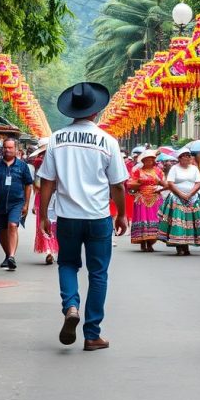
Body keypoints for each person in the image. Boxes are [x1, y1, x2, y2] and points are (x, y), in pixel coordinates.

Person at [38, 82, 128, 351]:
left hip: (67, 217)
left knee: (67, 264)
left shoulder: (56, 139)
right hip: (98, 217)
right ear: (96, 111)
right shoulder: (108, 142)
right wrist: (121, 214)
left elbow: (47, 182)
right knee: (98, 274)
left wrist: (43, 214)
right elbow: (119, 185)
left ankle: (71, 306)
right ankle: (92, 334)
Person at [0, 137, 34, 271]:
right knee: (2, 230)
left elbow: (28, 185)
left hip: (17, 202)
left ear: (16, 150)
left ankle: (12, 256)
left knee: (12, 225)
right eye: (5, 147)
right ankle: (7, 255)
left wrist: (26, 204)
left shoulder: (22, 166)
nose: (7, 150)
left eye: (10, 148)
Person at [157, 148, 200, 255]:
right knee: (178, 222)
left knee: (190, 222)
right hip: (176, 198)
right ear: (179, 158)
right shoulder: (174, 168)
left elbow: (199, 182)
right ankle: (179, 246)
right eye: (185, 155)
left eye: (189, 155)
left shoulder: (194, 168)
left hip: (192, 198)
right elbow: (170, 183)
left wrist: (189, 194)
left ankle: (187, 245)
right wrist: (181, 194)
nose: (187, 157)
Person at [127, 150, 165, 252]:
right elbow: (130, 184)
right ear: (143, 161)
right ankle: (143, 242)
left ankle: (151, 243)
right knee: (142, 220)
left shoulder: (158, 171)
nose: (149, 161)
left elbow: (165, 185)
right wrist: (139, 183)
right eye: (147, 160)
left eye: (151, 159)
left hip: (155, 197)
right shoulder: (137, 171)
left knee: (155, 220)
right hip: (142, 198)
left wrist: (159, 182)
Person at [31, 140, 59, 265]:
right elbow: (36, 184)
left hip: (48, 197)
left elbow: (36, 184)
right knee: (50, 223)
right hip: (49, 196)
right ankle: (50, 251)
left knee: (48, 223)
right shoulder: (42, 162)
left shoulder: (41, 162)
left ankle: (51, 251)